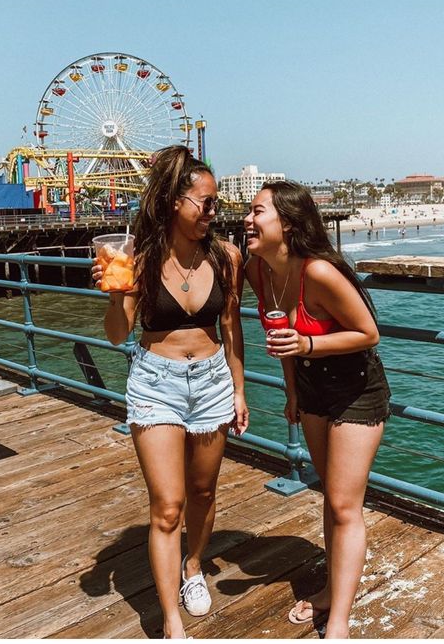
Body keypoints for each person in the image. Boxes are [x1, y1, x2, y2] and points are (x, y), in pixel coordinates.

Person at [96, 145, 247, 639]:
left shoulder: (226, 257)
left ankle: (193, 567)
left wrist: (239, 392)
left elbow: (232, 329)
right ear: (175, 202)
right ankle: (172, 620)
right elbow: (118, 334)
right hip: (156, 383)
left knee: (203, 490)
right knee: (167, 506)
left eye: (215, 202)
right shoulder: (137, 258)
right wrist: (117, 293)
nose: (213, 211)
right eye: (205, 202)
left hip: (211, 383)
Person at [244, 181, 392, 638]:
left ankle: (340, 622)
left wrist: (308, 341)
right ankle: (331, 589)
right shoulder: (260, 270)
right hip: (310, 388)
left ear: (286, 223)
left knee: (346, 505)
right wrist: (292, 390)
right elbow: (278, 335)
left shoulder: (321, 273)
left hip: (356, 389)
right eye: (248, 212)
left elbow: (369, 333)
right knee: (331, 496)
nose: (247, 220)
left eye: (257, 212)